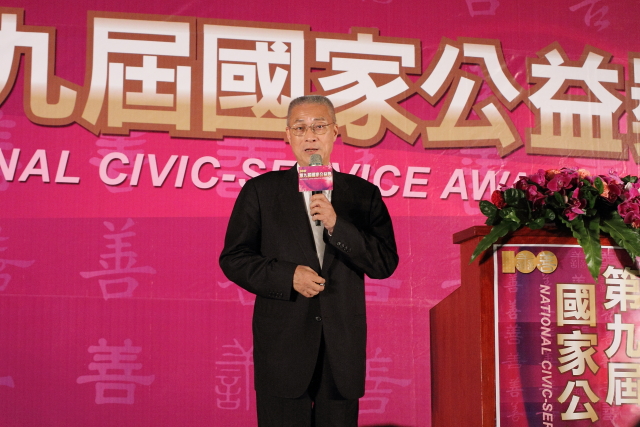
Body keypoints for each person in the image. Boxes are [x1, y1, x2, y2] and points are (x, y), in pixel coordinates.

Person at [219, 95, 398, 427]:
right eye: (300, 128)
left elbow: (384, 263)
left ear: (335, 132)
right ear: (287, 135)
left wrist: (337, 225)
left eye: (319, 126)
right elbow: (234, 258)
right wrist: (288, 276)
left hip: (341, 347)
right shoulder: (261, 191)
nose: (310, 135)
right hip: (283, 345)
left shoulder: (363, 194)